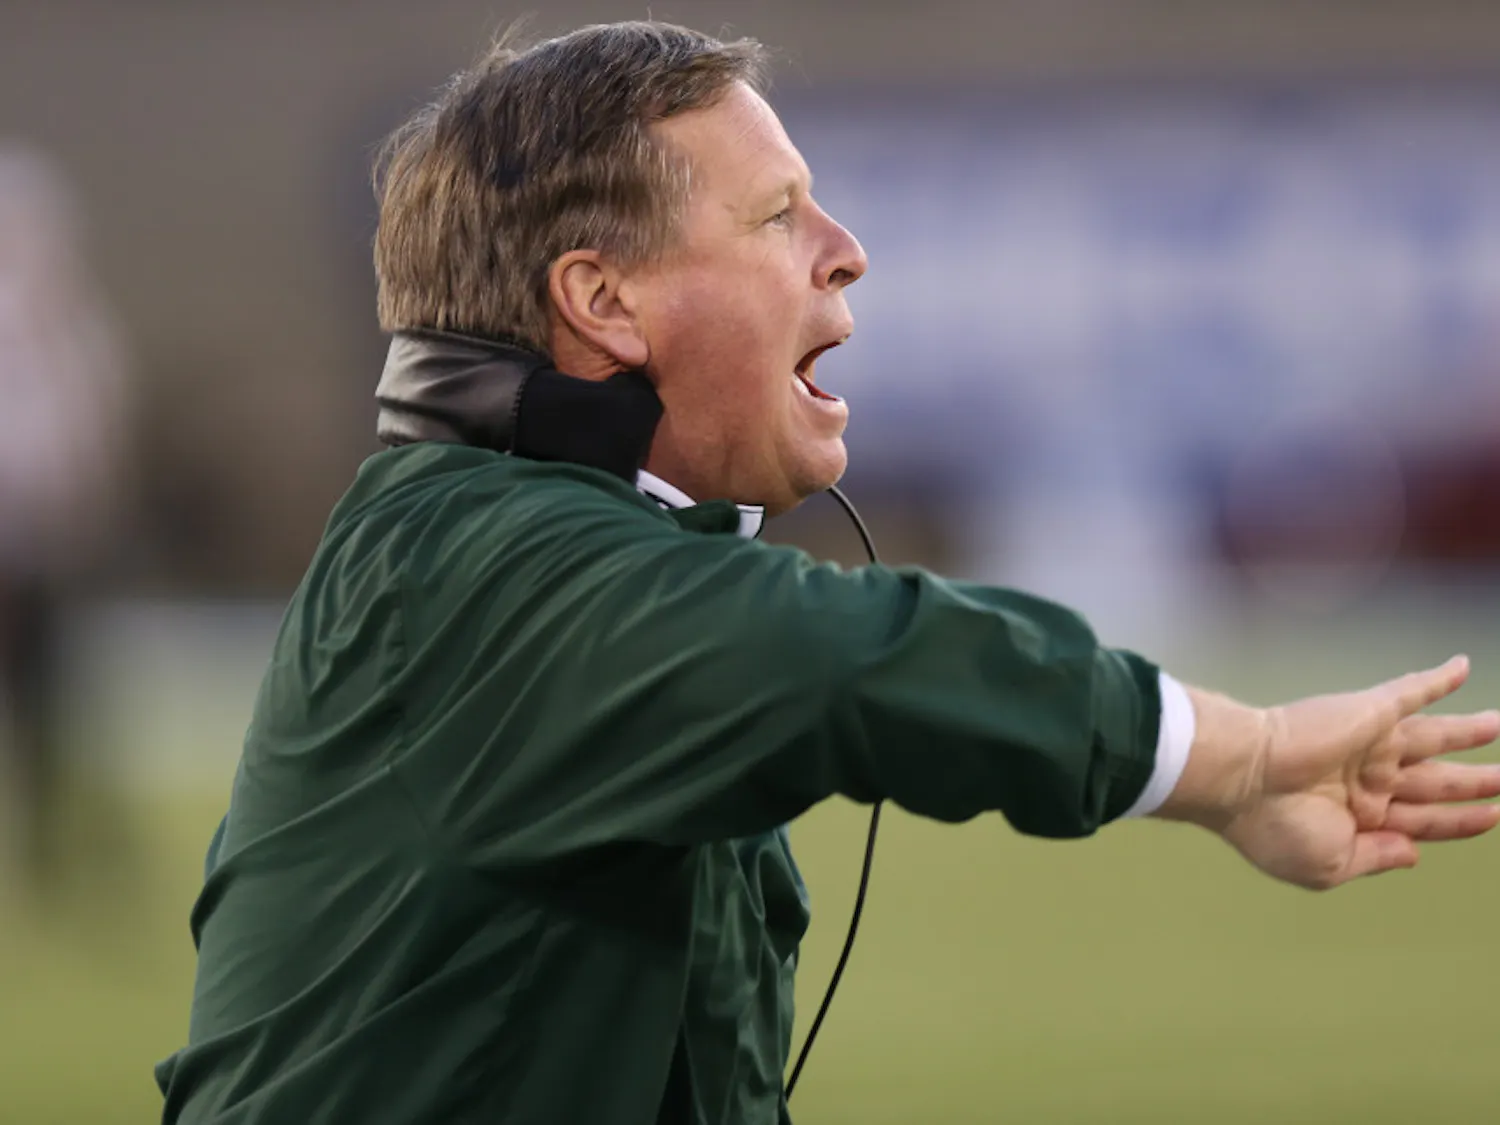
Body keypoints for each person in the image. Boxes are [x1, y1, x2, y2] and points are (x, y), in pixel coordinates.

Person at [155, 22, 1500, 1125]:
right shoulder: (467, 565)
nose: (846, 247)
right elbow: (851, 658)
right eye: (779, 214)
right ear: (603, 302)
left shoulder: (554, 548)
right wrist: (1237, 758)